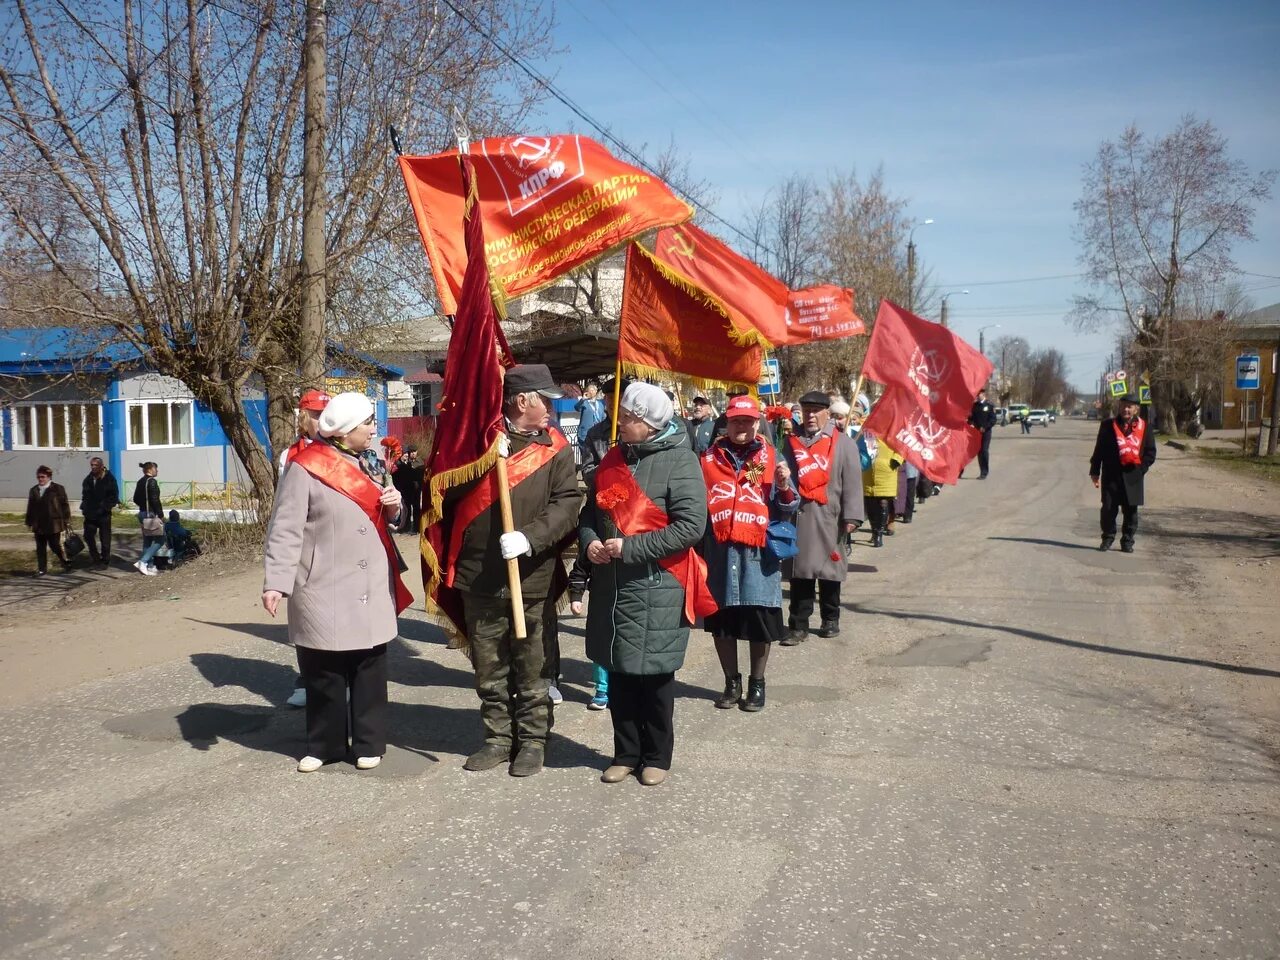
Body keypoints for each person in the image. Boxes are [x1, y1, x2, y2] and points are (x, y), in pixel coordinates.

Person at [262, 391, 410, 772]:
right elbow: (285, 529)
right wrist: (276, 580)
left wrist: (395, 508)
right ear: (345, 429)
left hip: (369, 584)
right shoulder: (305, 467)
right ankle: (324, 744)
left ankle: (368, 742)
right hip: (321, 583)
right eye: (367, 423)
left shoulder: (374, 464)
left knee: (369, 668)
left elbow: (392, 520)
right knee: (324, 670)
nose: (373, 428)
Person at [448, 364, 580, 778]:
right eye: (546, 401)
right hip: (481, 572)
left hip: (532, 572)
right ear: (522, 401)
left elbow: (568, 502)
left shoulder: (556, 445)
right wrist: (483, 459)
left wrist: (531, 537)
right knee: (489, 667)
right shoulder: (475, 440)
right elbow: (444, 491)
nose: (551, 411)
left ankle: (534, 741)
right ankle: (498, 739)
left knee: (533, 666)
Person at [581, 382, 712, 785]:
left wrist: (631, 548)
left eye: (630, 417)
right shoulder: (612, 460)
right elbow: (591, 514)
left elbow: (691, 526)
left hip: (659, 584)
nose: (620, 422)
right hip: (613, 586)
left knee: (654, 677)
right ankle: (625, 752)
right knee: (619, 673)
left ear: (651, 424)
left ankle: (656, 755)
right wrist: (590, 545)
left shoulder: (681, 460)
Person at [700, 395, 797, 712]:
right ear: (727, 423)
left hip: (758, 556)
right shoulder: (708, 459)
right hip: (720, 551)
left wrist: (783, 486)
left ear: (758, 423)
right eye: (736, 420)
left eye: (747, 420)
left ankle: (757, 684)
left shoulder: (772, 456)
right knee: (722, 621)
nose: (741, 426)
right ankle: (731, 682)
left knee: (760, 621)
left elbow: (789, 507)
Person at [779, 390, 864, 645]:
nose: (811, 415)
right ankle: (798, 625)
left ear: (828, 413)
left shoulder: (843, 443)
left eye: (816, 410)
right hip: (800, 517)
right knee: (800, 575)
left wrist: (852, 516)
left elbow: (852, 483)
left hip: (830, 517)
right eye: (806, 411)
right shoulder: (790, 443)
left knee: (829, 572)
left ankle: (830, 619)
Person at [279, 388, 330, 707]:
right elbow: (285, 506)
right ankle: (306, 679)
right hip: (303, 546)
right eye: (315, 415)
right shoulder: (289, 455)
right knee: (305, 616)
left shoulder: (342, 450)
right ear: (302, 418)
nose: (320, 421)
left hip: (334, 542)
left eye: (324, 415)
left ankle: (343, 680)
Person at [1089, 394, 1156, 553]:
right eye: (1123, 405)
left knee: (1131, 511)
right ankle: (1107, 538)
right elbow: (1099, 450)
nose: (1126, 409)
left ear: (1136, 409)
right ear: (1119, 407)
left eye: (1130, 406)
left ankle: (1127, 541)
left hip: (1133, 476)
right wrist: (1094, 470)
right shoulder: (1107, 425)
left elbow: (1150, 453)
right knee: (1108, 509)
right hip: (1111, 475)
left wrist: (1141, 470)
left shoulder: (1145, 427)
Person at [26, 465, 71, 576]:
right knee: (40, 548)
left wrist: (66, 520)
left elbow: (64, 505)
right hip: (39, 524)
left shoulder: (57, 488)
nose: (40, 479)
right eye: (39, 477)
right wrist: (29, 521)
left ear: (49, 477)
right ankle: (42, 569)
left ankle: (65, 562)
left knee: (54, 545)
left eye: (43, 477)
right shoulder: (34, 490)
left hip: (53, 523)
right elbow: (30, 506)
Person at [862, 431, 902, 548]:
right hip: (868, 472)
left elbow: (902, 448)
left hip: (886, 472)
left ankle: (879, 534)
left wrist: (896, 460)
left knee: (883, 503)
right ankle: (874, 531)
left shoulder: (894, 431)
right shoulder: (866, 432)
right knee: (870, 506)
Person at [80, 456, 119, 567]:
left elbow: (114, 496)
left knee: (105, 538)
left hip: (103, 514)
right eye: (91, 465)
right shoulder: (88, 479)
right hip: (90, 514)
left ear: (101, 466)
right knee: (88, 536)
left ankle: (105, 560)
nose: (93, 467)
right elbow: (85, 495)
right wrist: (84, 507)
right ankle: (95, 557)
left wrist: (105, 507)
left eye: (95, 465)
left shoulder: (109, 479)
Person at [132, 462, 165, 576]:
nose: (157, 471)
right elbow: (155, 499)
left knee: (148, 541)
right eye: (156, 468)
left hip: (142, 513)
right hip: (150, 514)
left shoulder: (141, 481)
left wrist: (143, 506)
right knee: (161, 539)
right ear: (150, 469)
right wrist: (160, 514)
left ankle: (150, 566)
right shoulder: (151, 482)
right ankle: (143, 561)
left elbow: (135, 498)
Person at [968, 389, 997, 478]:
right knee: (979, 452)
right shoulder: (974, 406)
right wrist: (972, 424)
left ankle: (984, 472)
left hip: (986, 432)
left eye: (979, 394)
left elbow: (993, 419)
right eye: (977, 394)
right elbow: (971, 418)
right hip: (976, 432)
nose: (978, 396)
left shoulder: (989, 406)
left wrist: (985, 427)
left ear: (983, 394)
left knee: (984, 450)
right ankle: (982, 472)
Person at [576, 381, 607, 448]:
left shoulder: (600, 404)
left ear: (596, 392)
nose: (591, 392)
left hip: (597, 435)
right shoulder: (584, 402)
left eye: (593, 390)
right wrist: (583, 399)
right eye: (589, 390)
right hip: (584, 435)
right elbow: (577, 408)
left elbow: (603, 417)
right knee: (585, 455)